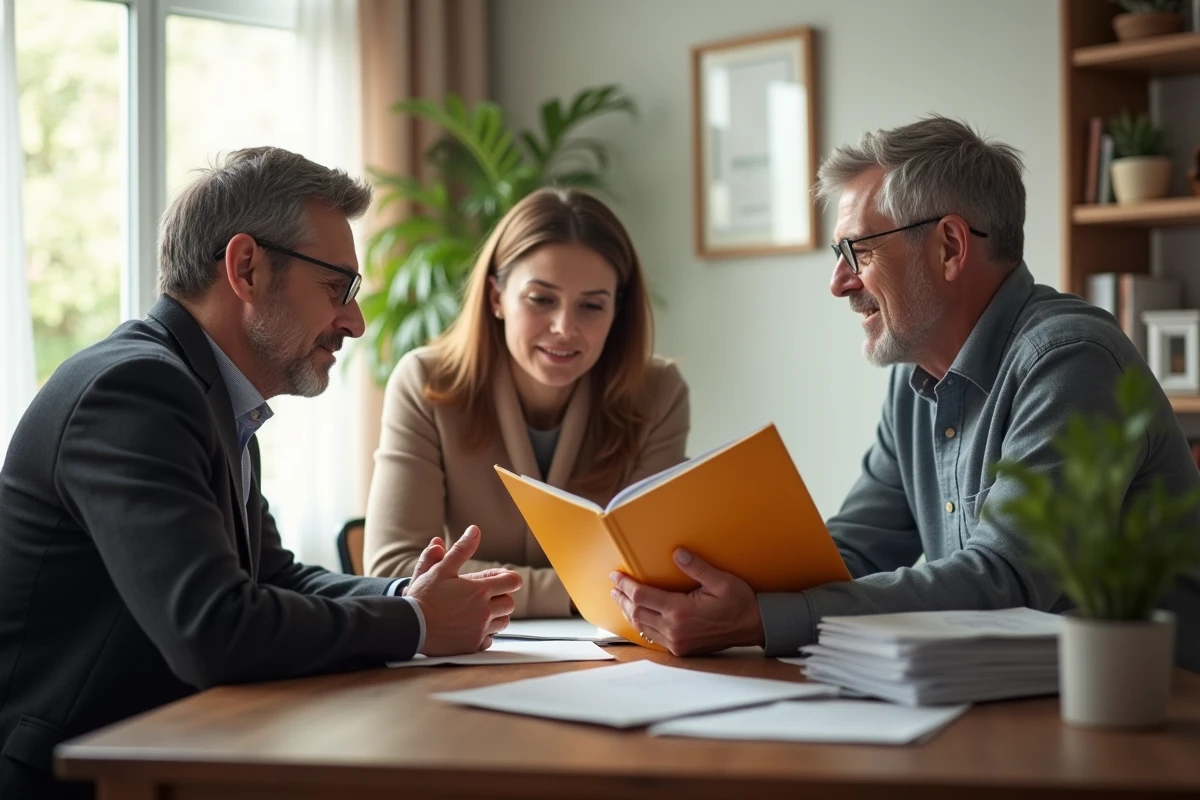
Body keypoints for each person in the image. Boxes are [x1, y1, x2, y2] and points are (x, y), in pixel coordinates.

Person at [0, 147, 522, 800]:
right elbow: (214, 630)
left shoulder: (207, 394)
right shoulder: (135, 392)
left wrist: (403, 597)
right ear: (246, 267)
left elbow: (274, 577)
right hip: (73, 781)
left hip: (169, 753)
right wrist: (416, 624)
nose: (354, 322)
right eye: (340, 288)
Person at [608, 116, 1200, 672]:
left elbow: (1009, 582)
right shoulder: (916, 376)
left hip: (1150, 713)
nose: (839, 283)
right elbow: (854, 550)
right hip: (1020, 694)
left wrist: (760, 619)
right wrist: (706, 586)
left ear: (949, 247)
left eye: (856, 251)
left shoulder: (1068, 361)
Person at [364, 188, 690, 618]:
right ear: (497, 297)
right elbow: (396, 571)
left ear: (617, 311)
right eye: (541, 299)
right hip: (473, 653)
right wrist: (582, 590)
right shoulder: (426, 383)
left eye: (591, 305)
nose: (564, 328)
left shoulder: (660, 393)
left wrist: (482, 586)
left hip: (613, 660)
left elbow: (652, 572)